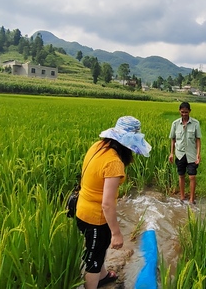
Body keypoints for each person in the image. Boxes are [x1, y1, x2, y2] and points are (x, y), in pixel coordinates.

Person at [75, 116, 151, 289]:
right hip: (95, 218)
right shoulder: (114, 163)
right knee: (93, 259)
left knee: (97, 250)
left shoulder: (98, 146)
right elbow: (107, 204)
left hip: (81, 208)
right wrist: (116, 233)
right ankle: (94, 281)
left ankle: (102, 276)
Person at [168, 102, 202, 204]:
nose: (184, 114)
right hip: (179, 154)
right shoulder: (175, 124)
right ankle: (182, 197)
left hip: (191, 154)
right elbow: (173, 139)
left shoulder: (195, 124)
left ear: (189, 111)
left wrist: (198, 154)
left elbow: (198, 140)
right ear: (179, 111)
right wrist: (171, 153)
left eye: (186, 112)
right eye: (182, 112)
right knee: (181, 175)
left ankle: (191, 199)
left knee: (192, 176)